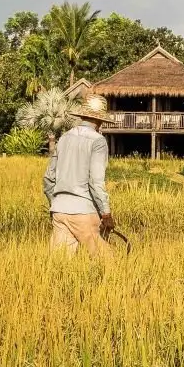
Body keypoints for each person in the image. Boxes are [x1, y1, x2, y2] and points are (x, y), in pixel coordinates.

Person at [43, 95, 115, 258]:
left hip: (59, 210)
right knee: (108, 262)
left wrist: (54, 203)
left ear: (82, 115)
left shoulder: (64, 138)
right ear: (100, 120)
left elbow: (48, 178)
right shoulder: (98, 141)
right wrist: (106, 214)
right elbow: (95, 182)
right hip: (83, 210)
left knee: (59, 264)